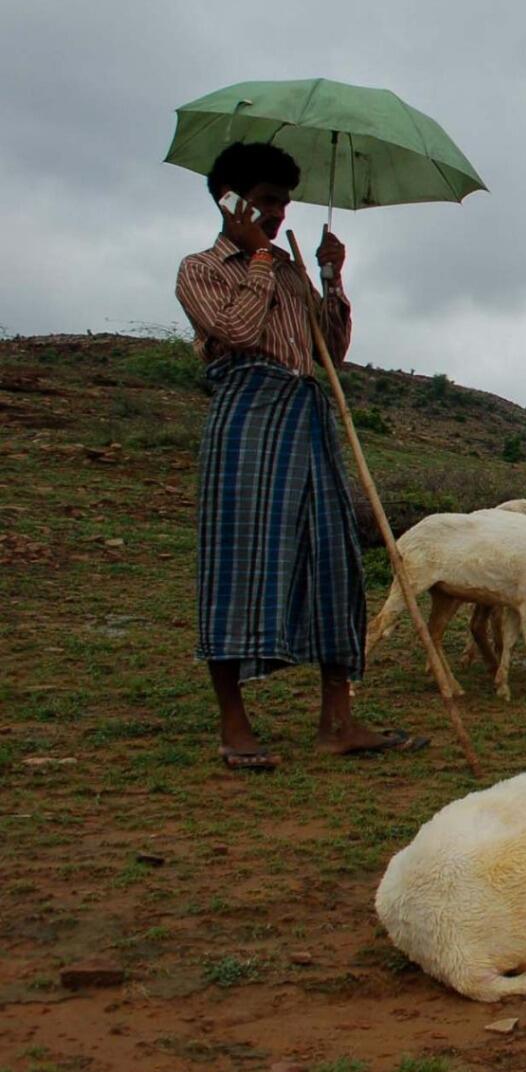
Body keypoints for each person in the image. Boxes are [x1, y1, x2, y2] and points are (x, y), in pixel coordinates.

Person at [174, 142, 427, 768]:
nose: (278, 213)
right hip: (246, 413)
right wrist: (259, 256)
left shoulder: (290, 271)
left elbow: (330, 351)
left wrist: (330, 277)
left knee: (334, 558)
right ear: (229, 201)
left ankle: (337, 722)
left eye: (283, 203)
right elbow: (234, 331)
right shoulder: (202, 268)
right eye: (264, 202)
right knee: (239, 561)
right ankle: (235, 726)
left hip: (307, 414)